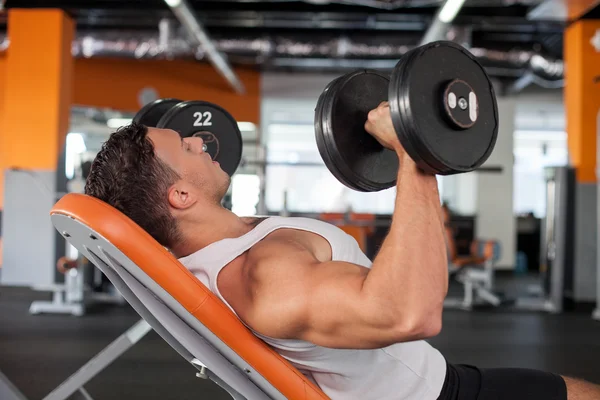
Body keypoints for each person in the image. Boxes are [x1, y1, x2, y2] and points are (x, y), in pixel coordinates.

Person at [84, 101, 598, 400]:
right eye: (186, 147)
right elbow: (409, 313)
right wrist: (413, 154)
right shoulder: (266, 277)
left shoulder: (221, 240)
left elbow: (145, 187)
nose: (201, 140)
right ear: (180, 196)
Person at [442, 204, 487, 269]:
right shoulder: (447, 230)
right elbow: (455, 261)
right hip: (448, 266)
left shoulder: (444, 230)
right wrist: (478, 259)